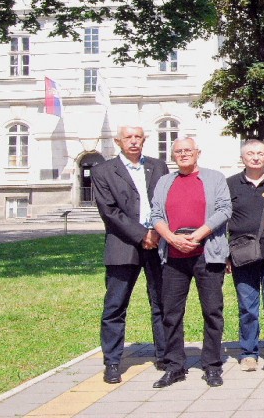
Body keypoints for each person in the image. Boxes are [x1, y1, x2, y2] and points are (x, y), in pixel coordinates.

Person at [150, 137, 232, 389]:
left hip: (206, 252)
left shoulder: (214, 178)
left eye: (188, 150)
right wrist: (172, 239)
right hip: (174, 255)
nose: (183, 154)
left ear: (198, 152)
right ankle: (175, 365)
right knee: (171, 313)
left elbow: (224, 209)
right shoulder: (165, 182)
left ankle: (212, 365)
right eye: (178, 151)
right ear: (173, 155)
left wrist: (197, 236)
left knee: (212, 311)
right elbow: (155, 215)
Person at [92, 125, 169, 384]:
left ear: (144, 140)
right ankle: (113, 361)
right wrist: (142, 234)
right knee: (115, 305)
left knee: (161, 301)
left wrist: (158, 233)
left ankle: (164, 355)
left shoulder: (158, 167)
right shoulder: (103, 171)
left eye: (138, 137)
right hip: (123, 245)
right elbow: (110, 211)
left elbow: (167, 201)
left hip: (158, 242)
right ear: (118, 141)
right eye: (128, 138)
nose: (134, 142)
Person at [225, 140, 264, 372]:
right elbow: (221, 220)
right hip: (242, 254)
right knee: (247, 306)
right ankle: (248, 352)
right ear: (242, 158)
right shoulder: (230, 185)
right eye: (250, 153)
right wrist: (225, 255)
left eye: (260, 154)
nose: (255, 157)